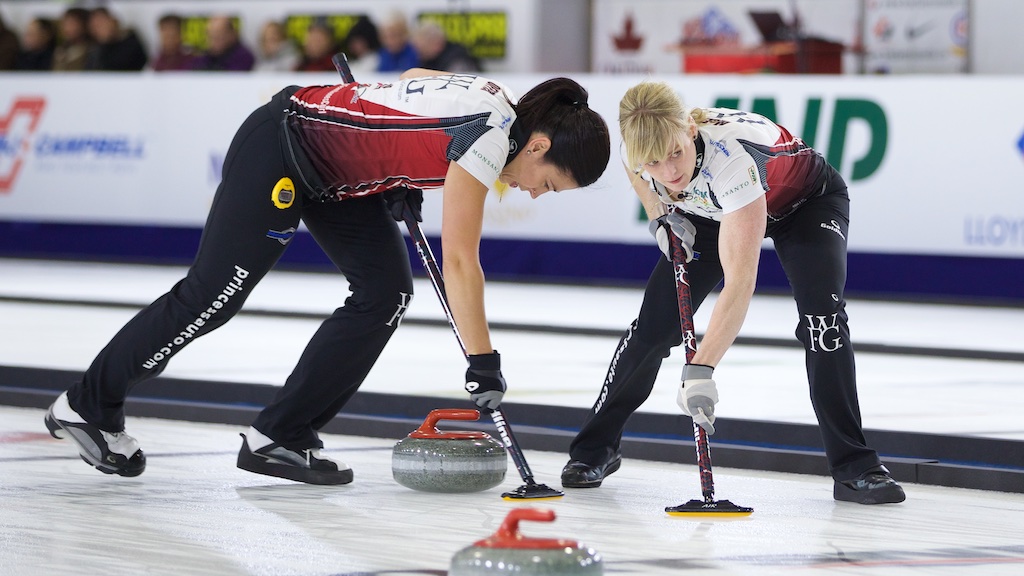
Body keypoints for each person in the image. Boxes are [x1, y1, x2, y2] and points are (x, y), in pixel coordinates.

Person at [44, 69, 611, 486]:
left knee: (386, 294)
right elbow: (461, 260)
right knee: (212, 295)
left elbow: (410, 83)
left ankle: (281, 434)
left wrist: (397, 170)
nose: (535, 193)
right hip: (283, 146)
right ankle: (88, 404)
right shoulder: (488, 138)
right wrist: (483, 360)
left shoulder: (498, 100)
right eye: (548, 183)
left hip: (337, 177)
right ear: (538, 145)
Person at [560, 81, 906, 505]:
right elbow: (638, 172)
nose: (669, 171)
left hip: (804, 204)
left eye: (675, 153)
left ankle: (855, 468)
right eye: (654, 161)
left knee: (824, 323)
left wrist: (701, 369)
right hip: (711, 213)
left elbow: (739, 282)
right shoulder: (641, 146)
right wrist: (660, 216)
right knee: (652, 328)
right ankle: (594, 449)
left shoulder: (733, 160)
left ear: (690, 130)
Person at [84, 7, 148, 71]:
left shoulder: (131, 43)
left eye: (102, 23)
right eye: (95, 26)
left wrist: (106, 42)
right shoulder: (95, 50)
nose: (100, 29)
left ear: (113, 20)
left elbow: (115, 67)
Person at [411, 20, 482, 73]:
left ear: (436, 43)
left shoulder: (457, 60)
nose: (419, 54)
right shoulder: (429, 61)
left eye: (423, 49)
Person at [52, 7, 92, 72]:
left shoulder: (91, 50)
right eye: (64, 23)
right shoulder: (60, 50)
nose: (67, 27)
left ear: (84, 24)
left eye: (72, 23)